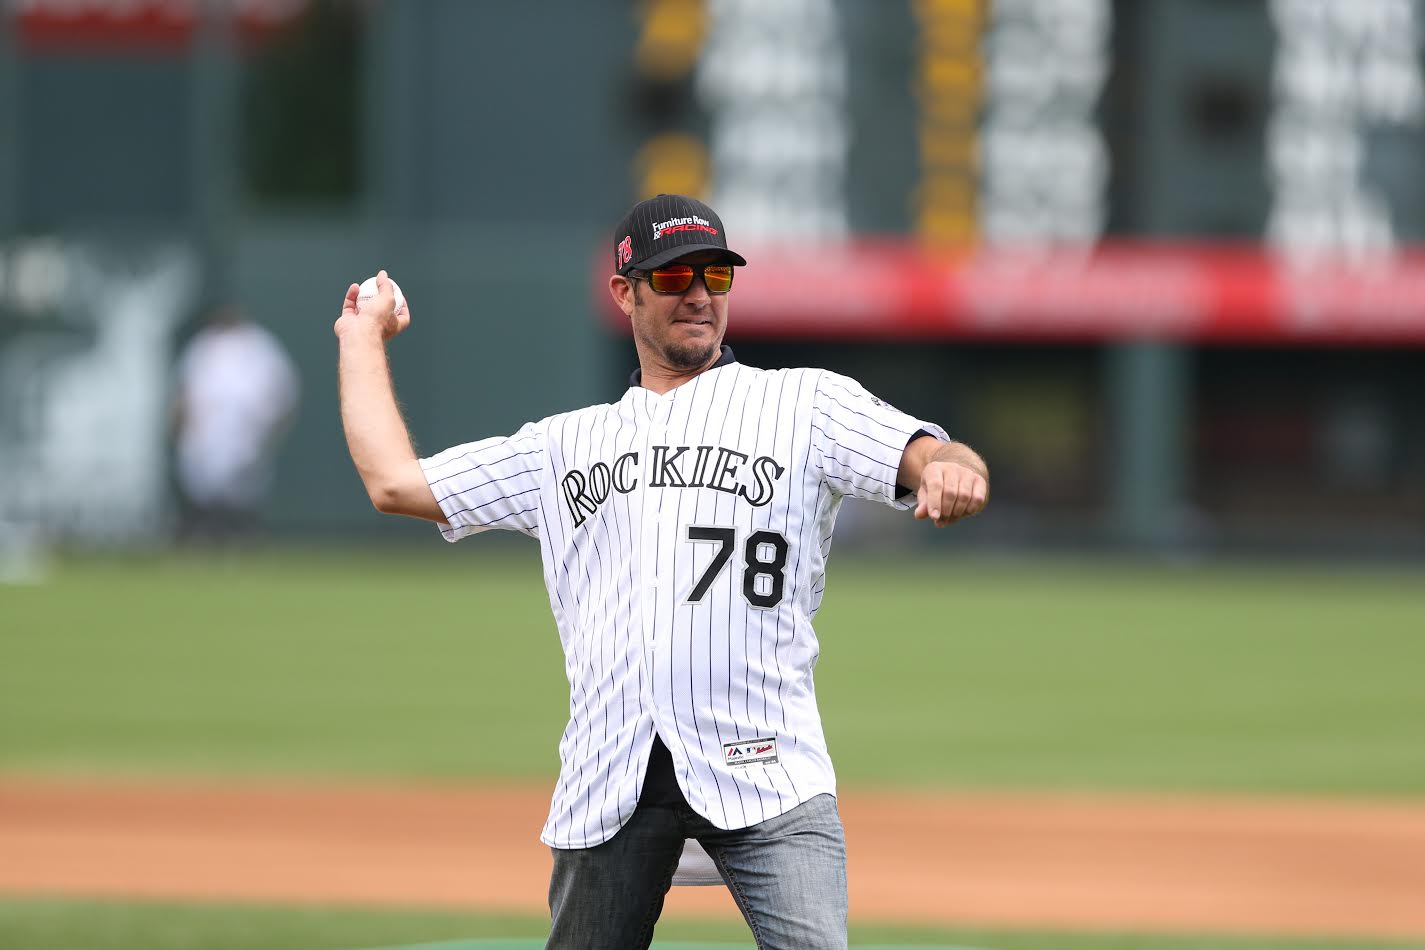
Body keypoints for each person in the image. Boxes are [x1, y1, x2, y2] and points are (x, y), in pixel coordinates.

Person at [334, 194, 989, 950]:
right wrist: (360, 337)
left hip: (767, 762)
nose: (699, 294)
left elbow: (932, 454)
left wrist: (952, 470)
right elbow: (394, 483)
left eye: (715, 274)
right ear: (625, 292)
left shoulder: (803, 403)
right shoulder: (564, 446)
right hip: (611, 771)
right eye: (674, 276)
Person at [173, 303, 299, 541]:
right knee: (204, 502)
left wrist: (269, 435)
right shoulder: (204, 346)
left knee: (240, 505)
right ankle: (202, 544)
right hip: (203, 442)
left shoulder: (260, 346)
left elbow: (284, 395)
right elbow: (184, 396)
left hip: (245, 441)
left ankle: (243, 544)